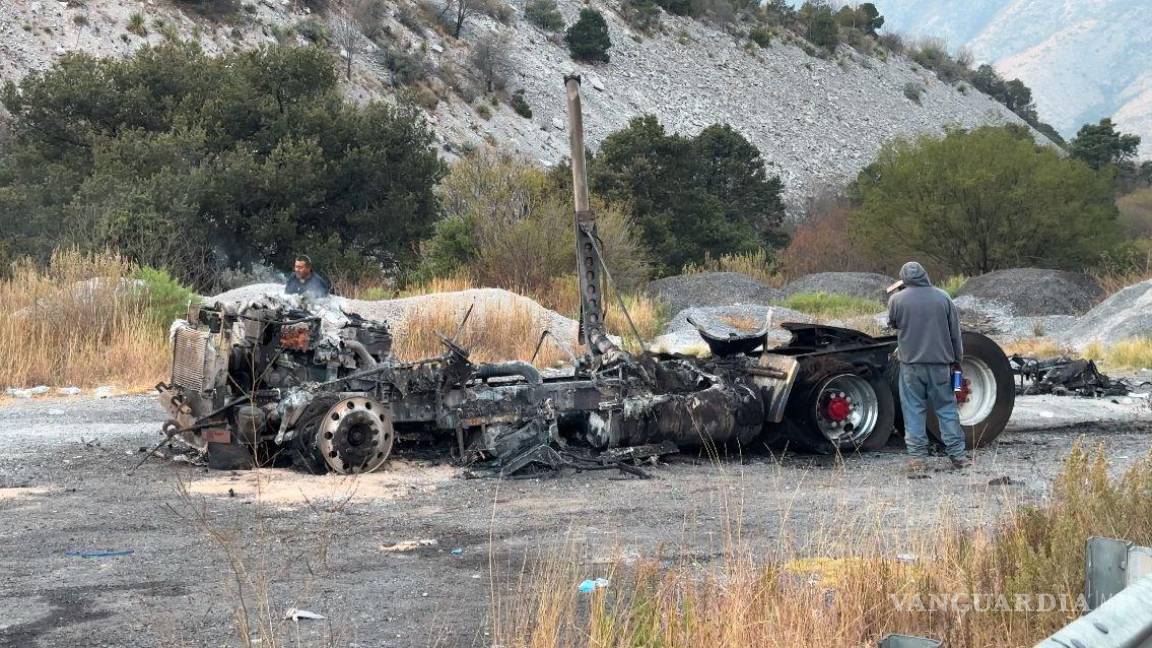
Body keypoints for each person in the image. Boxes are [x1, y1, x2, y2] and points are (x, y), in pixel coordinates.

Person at [887, 261, 969, 471]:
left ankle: (917, 459)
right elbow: (955, 333)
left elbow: (894, 325)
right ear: (925, 275)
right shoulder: (943, 297)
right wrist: (957, 359)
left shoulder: (896, 299)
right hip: (941, 365)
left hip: (911, 367)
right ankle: (958, 456)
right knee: (947, 409)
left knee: (914, 410)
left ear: (904, 279)